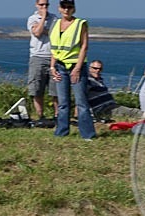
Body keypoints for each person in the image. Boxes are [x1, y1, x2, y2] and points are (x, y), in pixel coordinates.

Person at [49, 0, 95, 139]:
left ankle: (87, 134)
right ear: (59, 8)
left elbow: (84, 46)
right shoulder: (55, 24)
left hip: (76, 67)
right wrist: (52, 67)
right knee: (63, 102)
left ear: (74, 9)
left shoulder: (80, 24)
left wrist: (78, 68)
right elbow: (54, 48)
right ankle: (61, 132)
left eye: (69, 7)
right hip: (60, 66)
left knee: (81, 102)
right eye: (64, 7)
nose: (66, 9)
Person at [26, 0, 58, 119]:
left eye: (46, 5)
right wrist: (43, 17)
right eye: (41, 5)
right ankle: (40, 116)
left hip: (53, 56)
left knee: (56, 89)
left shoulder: (54, 18)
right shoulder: (32, 19)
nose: (44, 7)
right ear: (36, 5)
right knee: (37, 89)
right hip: (38, 56)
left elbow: (58, 33)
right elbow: (37, 32)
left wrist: (47, 31)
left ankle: (57, 115)